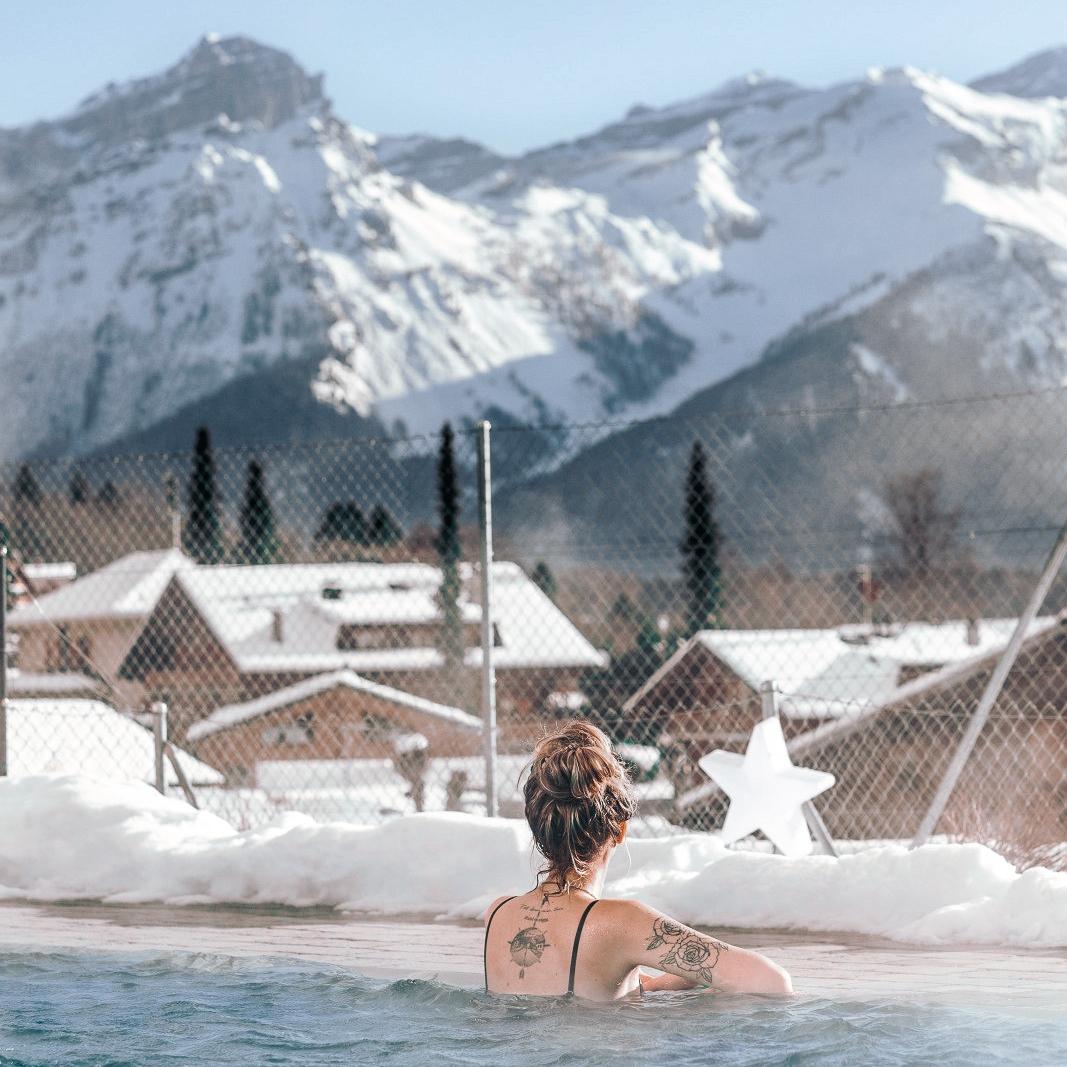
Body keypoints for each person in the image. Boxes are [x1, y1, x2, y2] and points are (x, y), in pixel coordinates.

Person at [483, 720, 793, 1001]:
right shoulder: (621, 921)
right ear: (620, 829)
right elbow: (771, 982)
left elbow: (573, 983)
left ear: (538, 825)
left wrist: (651, 985)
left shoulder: (497, 914)